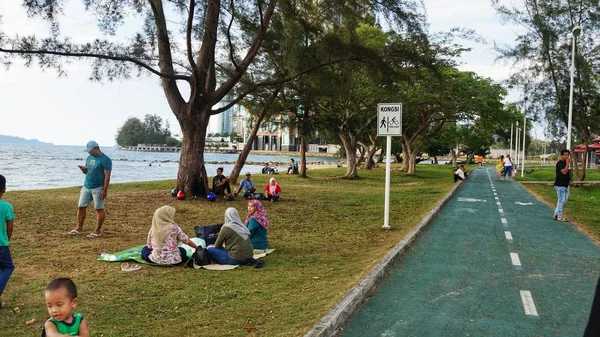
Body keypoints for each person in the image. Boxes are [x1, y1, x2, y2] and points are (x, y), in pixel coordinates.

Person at [71, 141, 112, 238]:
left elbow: (107, 176)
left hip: (98, 188)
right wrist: (84, 170)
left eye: (90, 150)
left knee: (98, 208)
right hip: (86, 186)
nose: (89, 153)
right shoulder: (89, 158)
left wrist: (104, 189)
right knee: (81, 207)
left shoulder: (106, 160)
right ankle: (79, 228)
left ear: (96, 148)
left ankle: (97, 231)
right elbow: (88, 171)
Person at [0, 175, 15, 309]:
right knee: (8, 267)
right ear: (4, 190)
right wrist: (7, 239)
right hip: (2, 245)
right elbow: (9, 227)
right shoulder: (6, 207)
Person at [553, 149, 571, 222]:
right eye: (565, 155)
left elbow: (567, 173)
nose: (567, 156)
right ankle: (559, 216)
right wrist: (567, 164)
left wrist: (569, 181)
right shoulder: (560, 163)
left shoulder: (565, 163)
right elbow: (563, 172)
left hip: (564, 185)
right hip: (560, 185)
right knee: (561, 200)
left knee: (564, 200)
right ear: (562, 155)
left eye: (568, 155)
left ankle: (556, 214)